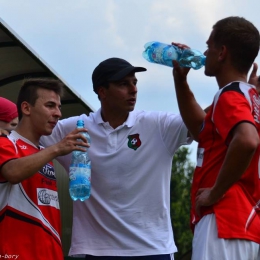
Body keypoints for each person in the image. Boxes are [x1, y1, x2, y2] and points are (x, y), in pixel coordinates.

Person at [40, 57, 192, 259]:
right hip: (96, 250)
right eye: (123, 84)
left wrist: (238, 90)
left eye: (134, 82)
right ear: (102, 92)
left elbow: (202, 124)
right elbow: (24, 133)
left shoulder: (158, 125)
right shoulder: (74, 129)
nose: (133, 89)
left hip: (153, 249)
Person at [172, 16, 260, 260]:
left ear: (221, 52)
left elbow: (247, 140)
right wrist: (181, 81)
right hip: (245, 224)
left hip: (224, 218)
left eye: (209, 46)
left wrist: (215, 192)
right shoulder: (249, 97)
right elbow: (202, 130)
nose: (204, 52)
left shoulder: (229, 95)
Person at [0, 78, 89, 260]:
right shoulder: (6, 142)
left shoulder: (43, 153)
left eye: (59, 107)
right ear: (26, 108)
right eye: (50, 105)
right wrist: (57, 148)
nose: (57, 114)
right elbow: (12, 172)